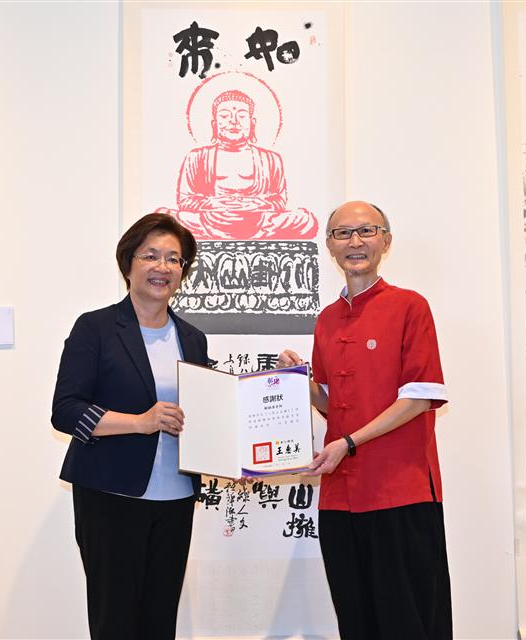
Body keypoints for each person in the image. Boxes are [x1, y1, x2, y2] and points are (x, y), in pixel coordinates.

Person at [278, 201, 452, 639]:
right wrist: (298, 381)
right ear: (330, 246)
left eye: (366, 231)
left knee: (409, 623)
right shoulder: (327, 320)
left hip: (401, 492)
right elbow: (331, 402)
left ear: (385, 241)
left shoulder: (409, 306)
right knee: (356, 622)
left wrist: (350, 442)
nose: (354, 242)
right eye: (342, 233)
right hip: (340, 497)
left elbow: (418, 399)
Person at [51, 213, 209, 639]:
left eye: (174, 259)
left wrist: (278, 383)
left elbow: (207, 409)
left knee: (160, 620)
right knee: (115, 621)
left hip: (176, 498)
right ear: (128, 264)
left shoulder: (193, 338)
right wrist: (140, 423)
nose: (162, 267)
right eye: (150, 256)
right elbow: (65, 410)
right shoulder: (96, 328)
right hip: (110, 496)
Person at [167, 89, 317, 239]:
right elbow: (185, 200)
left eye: (242, 116)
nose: (234, 121)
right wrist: (216, 203)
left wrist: (253, 204)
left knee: (305, 219)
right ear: (214, 124)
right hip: (210, 221)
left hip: (259, 221)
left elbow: (279, 199)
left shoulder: (270, 158)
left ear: (252, 123)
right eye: (225, 116)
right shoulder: (197, 157)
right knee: (166, 217)